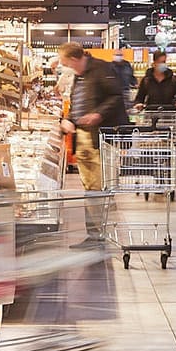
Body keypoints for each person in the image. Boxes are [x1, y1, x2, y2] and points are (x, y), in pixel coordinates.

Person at [58, 42, 127, 245]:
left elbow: (116, 97)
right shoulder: (80, 75)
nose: (66, 67)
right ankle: (95, 233)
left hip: (98, 138)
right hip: (84, 137)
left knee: (95, 189)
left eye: (66, 63)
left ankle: (97, 235)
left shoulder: (101, 69)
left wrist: (98, 114)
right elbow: (77, 101)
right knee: (90, 187)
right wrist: (69, 119)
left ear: (74, 59)